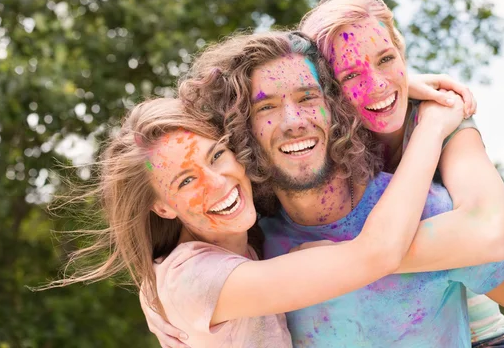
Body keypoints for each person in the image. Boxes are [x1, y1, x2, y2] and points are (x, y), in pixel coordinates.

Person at [149, 30, 504, 347]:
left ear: (334, 108)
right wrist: (156, 298)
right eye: (265, 107)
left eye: (307, 97)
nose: (293, 121)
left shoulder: (428, 212)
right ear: (239, 131)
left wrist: (424, 106)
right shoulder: (253, 241)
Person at [43, 94, 470, 347]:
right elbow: (377, 253)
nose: (219, 183)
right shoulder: (190, 279)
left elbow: (279, 94)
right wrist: (432, 128)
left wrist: (393, 90)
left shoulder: (251, 237)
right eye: (187, 179)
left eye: (217, 156)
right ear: (162, 207)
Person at [298, 0, 504, 347]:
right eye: (350, 75)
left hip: (474, 335)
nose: (377, 84)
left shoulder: (441, 116)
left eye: (386, 59)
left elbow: (488, 233)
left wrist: (344, 259)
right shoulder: (316, 142)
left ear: (402, 53)